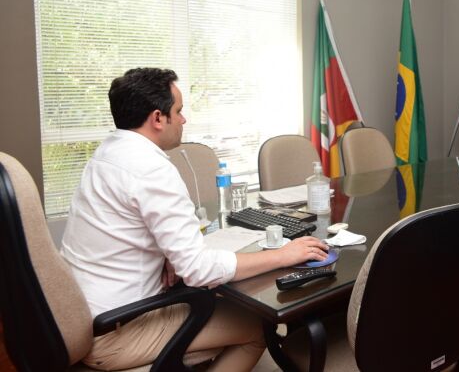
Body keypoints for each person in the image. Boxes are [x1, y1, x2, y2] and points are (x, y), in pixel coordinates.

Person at [61, 68, 329, 371]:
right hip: (118, 333)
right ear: (158, 118)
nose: (184, 120)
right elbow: (198, 270)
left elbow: (123, 227)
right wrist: (283, 255)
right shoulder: (151, 169)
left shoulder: (106, 155)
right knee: (257, 327)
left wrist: (164, 255)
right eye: (179, 111)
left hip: (83, 318)